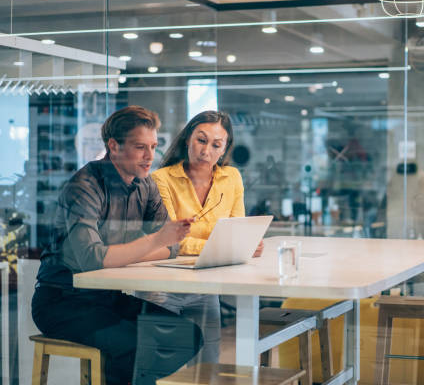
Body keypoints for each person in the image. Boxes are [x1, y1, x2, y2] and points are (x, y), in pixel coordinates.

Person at [31, 106, 201, 385]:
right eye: (140, 147)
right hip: (62, 303)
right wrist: (154, 241)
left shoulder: (145, 185)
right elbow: (92, 258)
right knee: (135, 349)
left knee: (188, 336)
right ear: (114, 146)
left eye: (153, 147)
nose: (150, 156)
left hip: (108, 298)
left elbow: (173, 246)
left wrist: (133, 250)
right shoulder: (84, 186)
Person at [145, 110, 263, 364]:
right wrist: (228, 246)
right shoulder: (161, 179)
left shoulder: (231, 178)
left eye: (216, 144)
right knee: (161, 365)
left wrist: (245, 244)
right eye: (201, 140)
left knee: (207, 365)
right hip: (164, 286)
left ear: (224, 150)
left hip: (207, 285)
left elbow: (237, 234)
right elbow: (171, 241)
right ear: (188, 138)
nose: (205, 150)